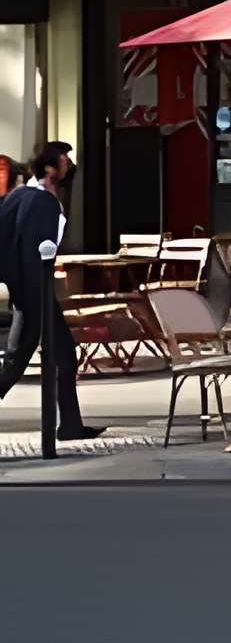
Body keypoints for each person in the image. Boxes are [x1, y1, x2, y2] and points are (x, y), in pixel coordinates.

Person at [0, 143, 97, 441]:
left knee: (47, 356)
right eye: (64, 160)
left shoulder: (20, 196)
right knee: (32, 359)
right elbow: (33, 251)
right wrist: (34, 292)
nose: (68, 165)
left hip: (29, 291)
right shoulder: (39, 201)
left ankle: (70, 424)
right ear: (50, 168)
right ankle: (69, 425)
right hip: (35, 292)